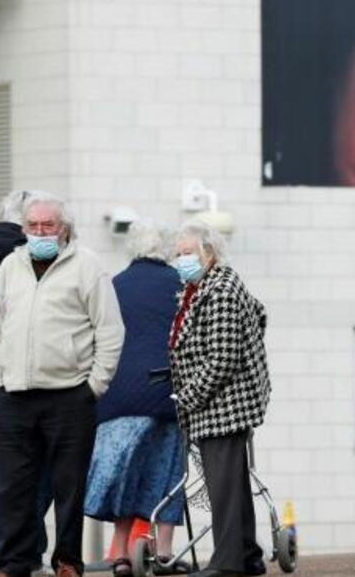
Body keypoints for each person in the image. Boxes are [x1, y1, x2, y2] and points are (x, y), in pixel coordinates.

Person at [0, 191, 124, 577]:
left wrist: (94, 385)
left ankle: (67, 560)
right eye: (33, 226)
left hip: (70, 396)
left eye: (49, 225)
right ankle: (15, 561)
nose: (40, 231)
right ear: (24, 228)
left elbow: (110, 330)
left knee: (69, 487)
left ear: (64, 229)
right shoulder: (11, 266)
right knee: (12, 487)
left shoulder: (87, 266)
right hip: (14, 395)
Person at [168, 220, 271, 577]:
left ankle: (228, 564)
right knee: (233, 485)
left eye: (187, 254)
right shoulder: (204, 286)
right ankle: (247, 555)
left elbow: (223, 357)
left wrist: (187, 396)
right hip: (221, 403)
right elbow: (259, 313)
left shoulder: (220, 289)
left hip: (223, 405)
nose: (181, 260)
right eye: (178, 254)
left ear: (208, 254)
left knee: (223, 488)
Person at [85, 220, 188, 575]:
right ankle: (164, 551)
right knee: (168, 472)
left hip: (119, 397)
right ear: (169, 250)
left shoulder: (115, 285)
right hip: (168, 394)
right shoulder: (181, 285)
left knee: (124, 474)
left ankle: (120, 553)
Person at [0, 190, 54, 577]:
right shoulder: (30, 262)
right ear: (27, 225)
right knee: (36, 470)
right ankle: (28, 553)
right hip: (25, 383)